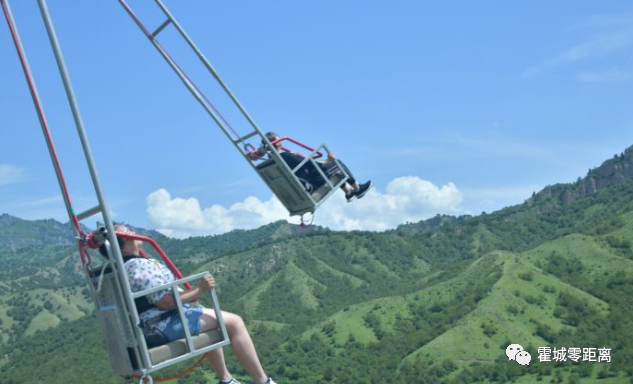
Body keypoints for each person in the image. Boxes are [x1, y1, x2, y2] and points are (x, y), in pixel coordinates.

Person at [99, 224, 276, 384]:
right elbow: (166, 302)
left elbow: (159, 296)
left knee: (207, 315)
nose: (132, 232)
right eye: (126, 233)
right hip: (163, 322)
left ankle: (226, 379)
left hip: (154, 322)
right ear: (120, 248)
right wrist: (199, 289)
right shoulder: (139, 266)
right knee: (235, 322)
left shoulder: (126, 267)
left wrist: (190, 295)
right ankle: (262, 381)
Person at [256, 132, 371, 202]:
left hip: (305, 182)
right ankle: (357, 189)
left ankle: (348, 193)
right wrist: (328, 160)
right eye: (278, 138)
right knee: (336, 164)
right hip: (312, 182)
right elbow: (309, 164)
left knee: (329, 168)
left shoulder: (274, 161)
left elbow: (304, 164)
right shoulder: (285, 156)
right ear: (277, 143)